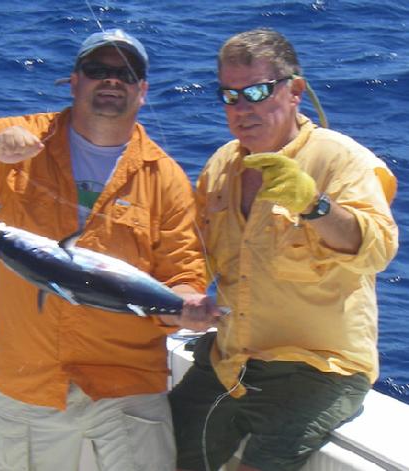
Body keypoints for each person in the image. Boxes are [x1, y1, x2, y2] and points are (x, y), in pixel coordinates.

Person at [0, 29, 212, 471]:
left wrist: (183, 306)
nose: (111, 80)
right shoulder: (17, 142)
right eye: (97, 70)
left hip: (126, 381)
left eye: (125, 73)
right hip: (30, 383)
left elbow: (184, 272)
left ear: (142, 91)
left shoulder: (163, 178)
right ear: (74, 82)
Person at [168, 28, 399, 471]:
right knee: (157, 450)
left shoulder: (341, 159)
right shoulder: (220, 166)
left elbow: (376, 250)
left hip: (319, 368)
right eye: (230, 96)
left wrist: (314, 205)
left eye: (256, 91)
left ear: (294, 91)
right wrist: (182, 292)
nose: (243, 108)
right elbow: (193, 256)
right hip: (232, 359)